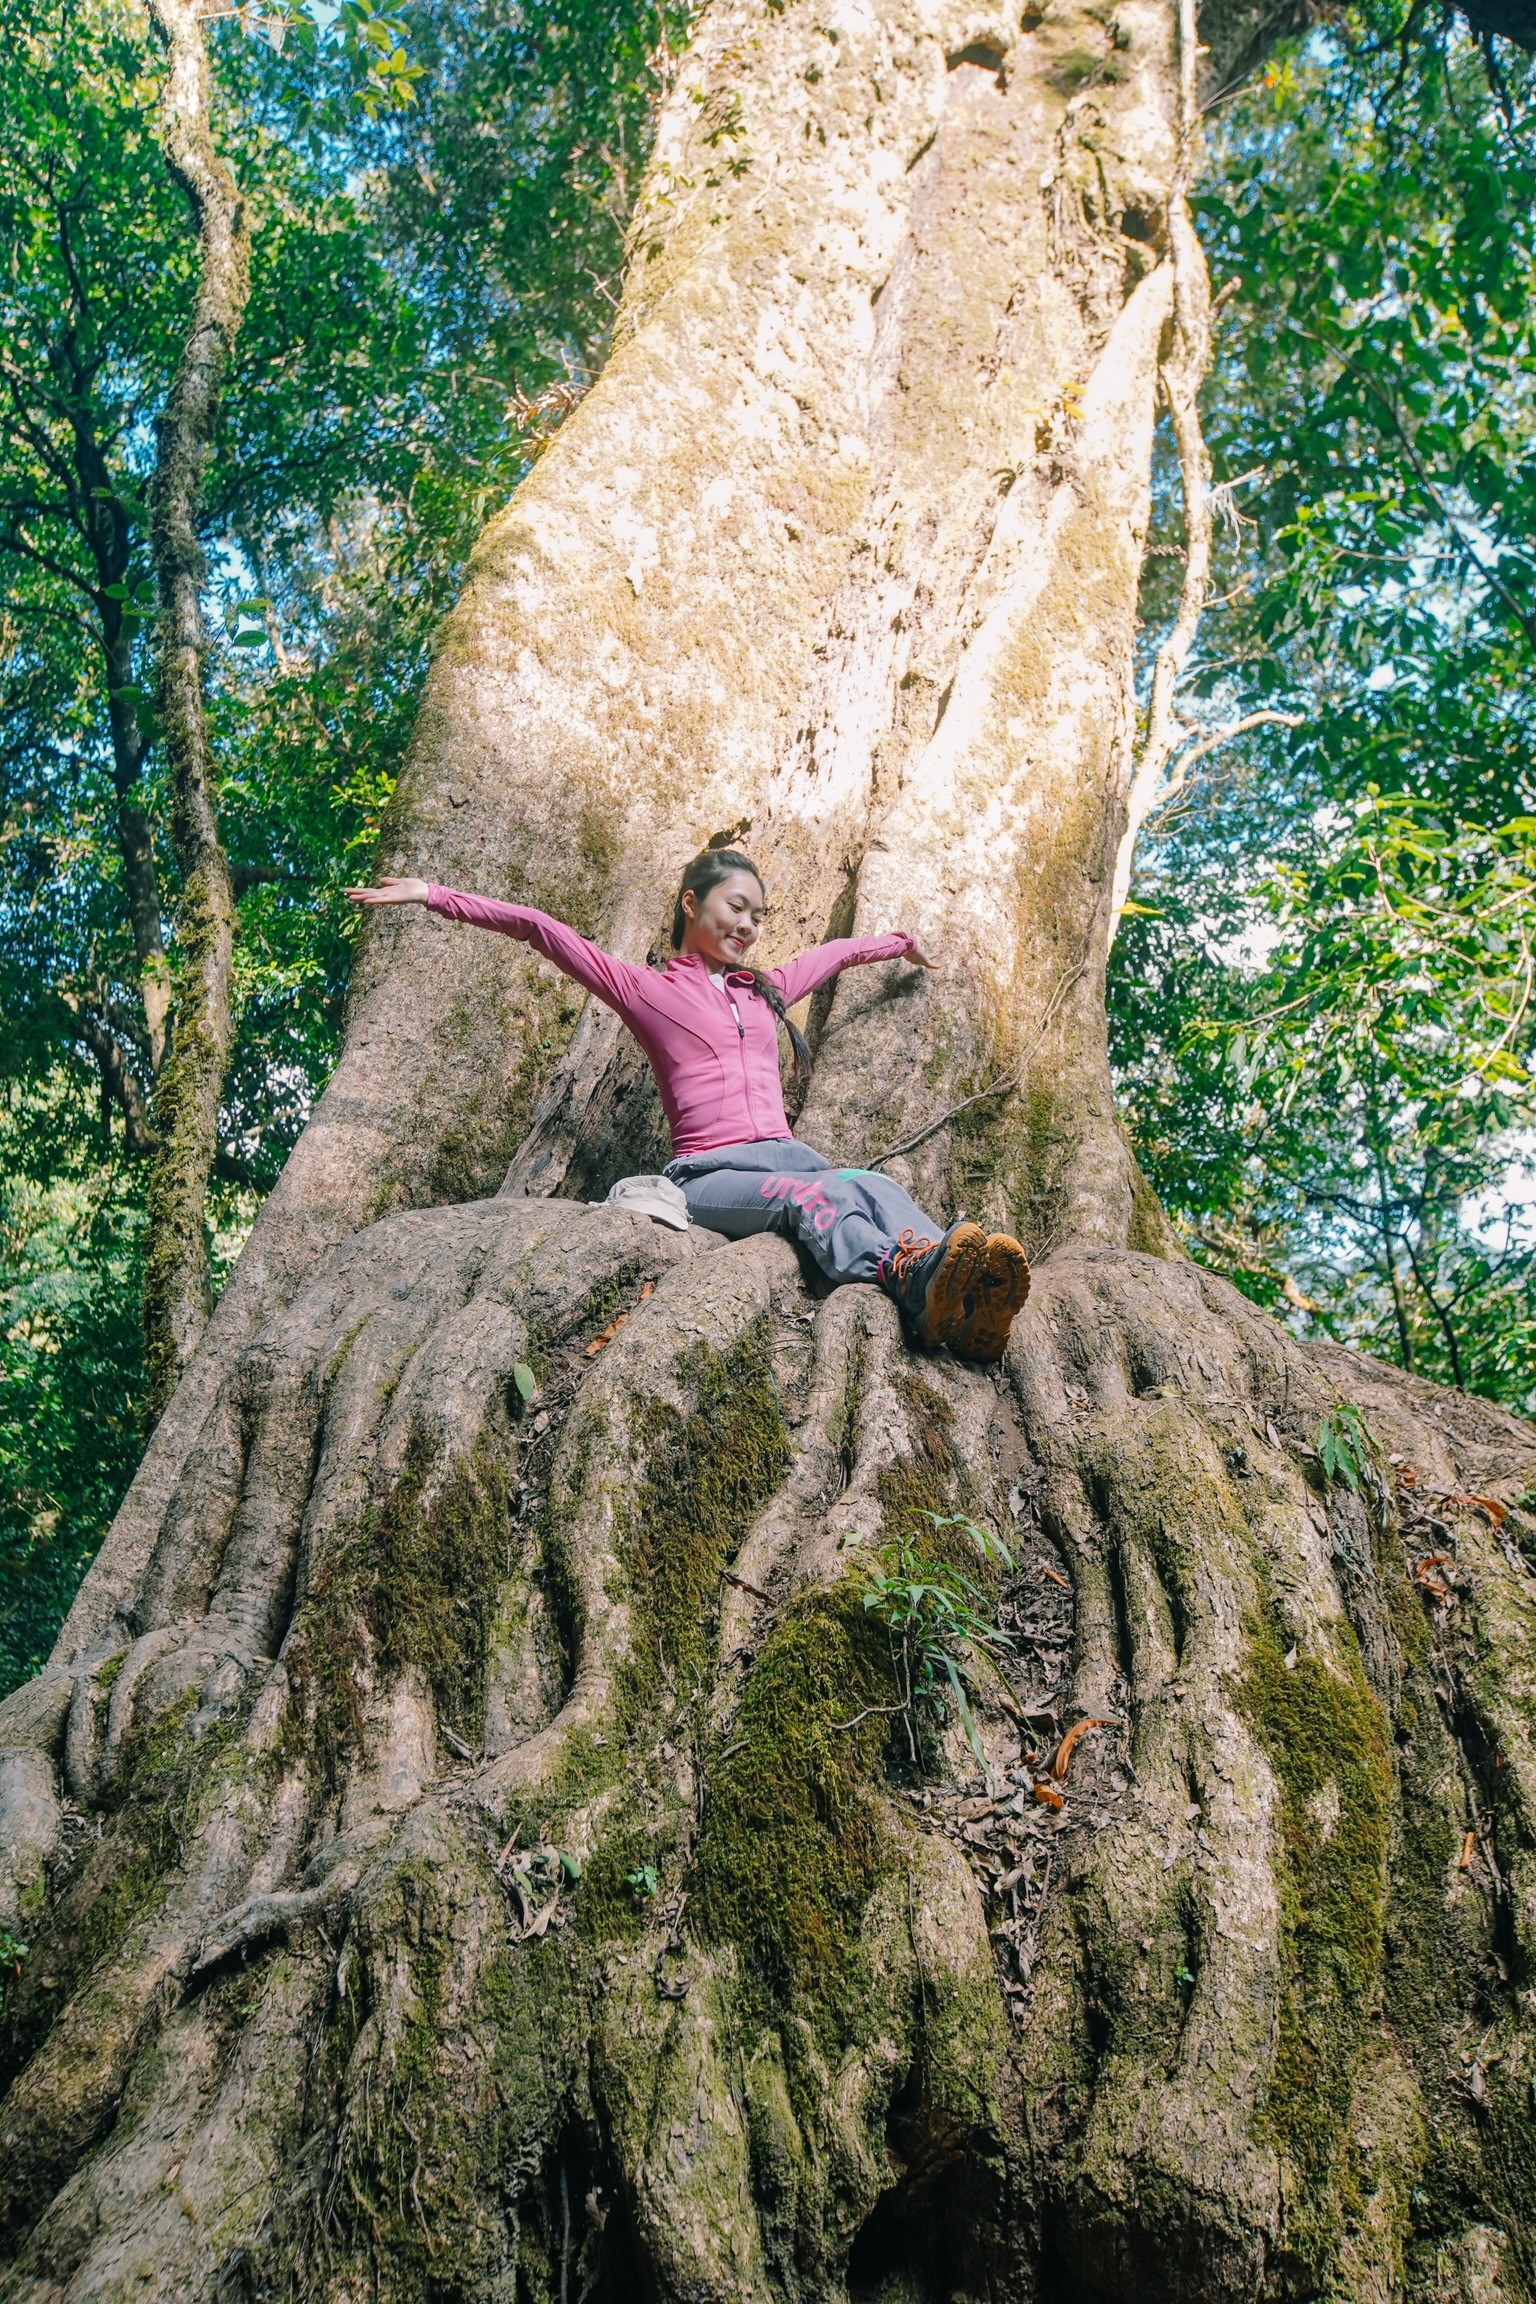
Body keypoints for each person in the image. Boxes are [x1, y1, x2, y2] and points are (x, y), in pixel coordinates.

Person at [347, 849, 1031, 1359]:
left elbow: (838, 956)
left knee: (871, 1182)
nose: (750, 925)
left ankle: (966, 1290)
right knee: (806, 1198)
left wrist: (901, 945)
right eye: (737, 907)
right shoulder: (646, 989)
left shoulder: (765, 990)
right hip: (710, 1175)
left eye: (759, 916)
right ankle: (904, 1276)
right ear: (689, 903)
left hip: (789, 1154)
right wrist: (433, 894)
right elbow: (540, 929)